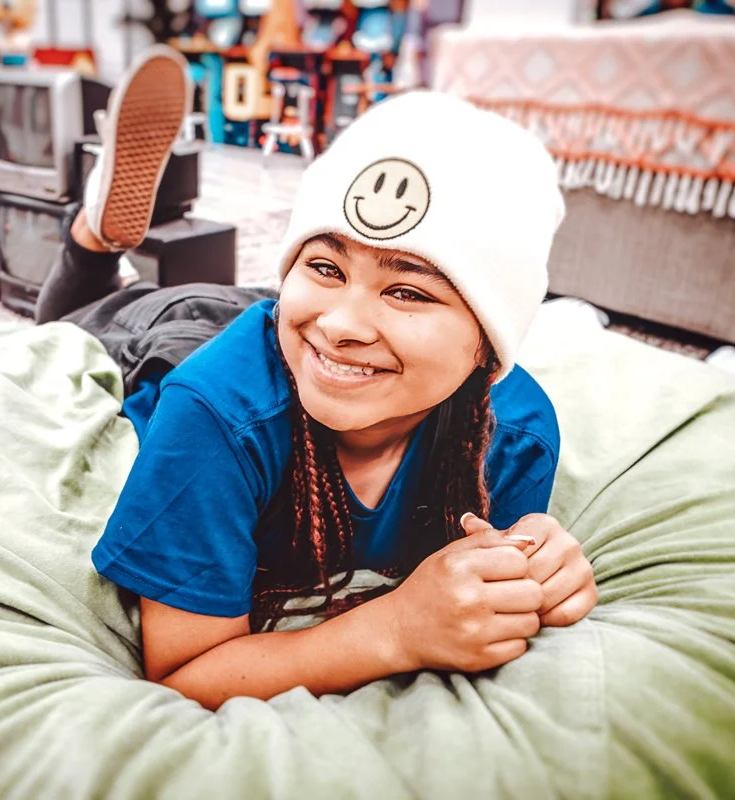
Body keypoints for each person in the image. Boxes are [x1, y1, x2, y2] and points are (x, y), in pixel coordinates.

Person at [36, 46, 598, 712]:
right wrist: (393, 631)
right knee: (75, 324)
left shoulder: (514, 434)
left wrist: (534, 574)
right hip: (207, 343)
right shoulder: (214, 415)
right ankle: (92, 243)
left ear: (488, 346)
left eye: (409, 293)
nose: (344, 322)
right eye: (326, 265)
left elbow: (491, 590)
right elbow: (181, 674)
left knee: (294, 329)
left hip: (288, 346)